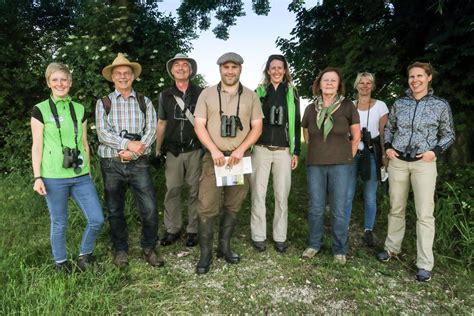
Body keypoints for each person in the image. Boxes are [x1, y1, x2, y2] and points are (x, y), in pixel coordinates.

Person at [377, 62, 455, 282]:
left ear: (429, 77)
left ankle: (424, 263)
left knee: (424, 214)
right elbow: (389, 127)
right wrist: (389, 147)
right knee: (396, 207)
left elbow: (449, 134)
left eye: (420, 76)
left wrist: (435, 151)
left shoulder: (440, 104)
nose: (415, 80)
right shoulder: (400, 103)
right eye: (411, 76)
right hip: (399, 161)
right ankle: (392, 249)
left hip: (424, 163)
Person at [193, 52, 263, 274]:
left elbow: (257, 127)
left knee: (233, 203)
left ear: (240, 69)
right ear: (220, 69)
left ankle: (224, 246)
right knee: (206, 204)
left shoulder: (251, 96)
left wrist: (241, 150)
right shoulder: (207, 94)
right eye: (226, 67)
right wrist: (213, 150)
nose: (230, 71)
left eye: (234, 67)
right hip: (214, 158)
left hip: (238, 160)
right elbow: (199, 124)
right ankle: (205, 255)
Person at [31, 62, 104, 272]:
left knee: (97, 219)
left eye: (64, 79)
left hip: (80, 175)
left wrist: (88, 172)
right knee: (59, 222)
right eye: (55, 80)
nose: (60, 83)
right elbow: (37, 145)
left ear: (70, 83)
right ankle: (61, 263)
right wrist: (38, 177)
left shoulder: (79, 109)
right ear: (48, 83)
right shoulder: (40, 110)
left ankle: (85, 256)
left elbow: (84, 142)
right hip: (53, 176)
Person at [96, 53, 163, 268]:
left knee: (150, 208)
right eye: (118, 74)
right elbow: (102, 133)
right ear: (112, 78)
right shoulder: (103, 102)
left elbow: (151, 131)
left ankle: (149, 247)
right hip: (111, 163)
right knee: (115, 209)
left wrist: (134, 152)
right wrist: (127, 144)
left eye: (126, 73)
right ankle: (120, 250)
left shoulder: (145, 102)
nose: (123, 77)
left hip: (139, 163)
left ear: (132, 76)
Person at [301, 67, 360, 265]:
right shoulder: (310, 108)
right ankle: (314, 244)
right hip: (316, 164)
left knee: (339, 208)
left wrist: (347, 156)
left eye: (333, 81)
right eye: (325, 80)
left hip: (341, 165)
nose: (329, 83)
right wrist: (318, 151)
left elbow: (356, 135)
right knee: (316, 207)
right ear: (319, 84)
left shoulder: (347, 106)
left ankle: (339, 249)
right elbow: (307, 134)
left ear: (338, 85)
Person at [250, 54, 301, 253]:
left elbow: (296, 122)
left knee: (281, 195)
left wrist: (296, 151)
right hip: (261, 150)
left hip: (283, 151)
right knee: (258, 194)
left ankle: (280, 236)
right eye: (273, 68)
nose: (277, 71)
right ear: (268, 71)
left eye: (280, 68)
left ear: (285, 70)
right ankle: (258, 235)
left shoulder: (293, 92)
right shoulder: (259, 92)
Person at [156, 54, 202, 247]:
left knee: (195, 191)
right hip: (173, 151)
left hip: (195, 150)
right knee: (172, 190)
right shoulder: (165, 95)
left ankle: (193, 229)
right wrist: (157, 150)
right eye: (177, 65)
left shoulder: (201, 93)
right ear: (172, 70)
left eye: (185, 65)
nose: (181, 67)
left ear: (191, 71)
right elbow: (161, 123)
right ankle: (173, 228)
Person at [344, 72, 389, 247]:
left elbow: (383, 133)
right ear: (356, 85)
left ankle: (368, 229)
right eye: (361, 83)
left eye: (368, 83)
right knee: (347, 193)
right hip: (353, 153)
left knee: (370, 194)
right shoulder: (349, 105)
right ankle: (344, 227)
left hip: (371, 153)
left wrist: (384, 155)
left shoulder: (381, 106)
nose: (364, 86)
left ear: (372, 85)